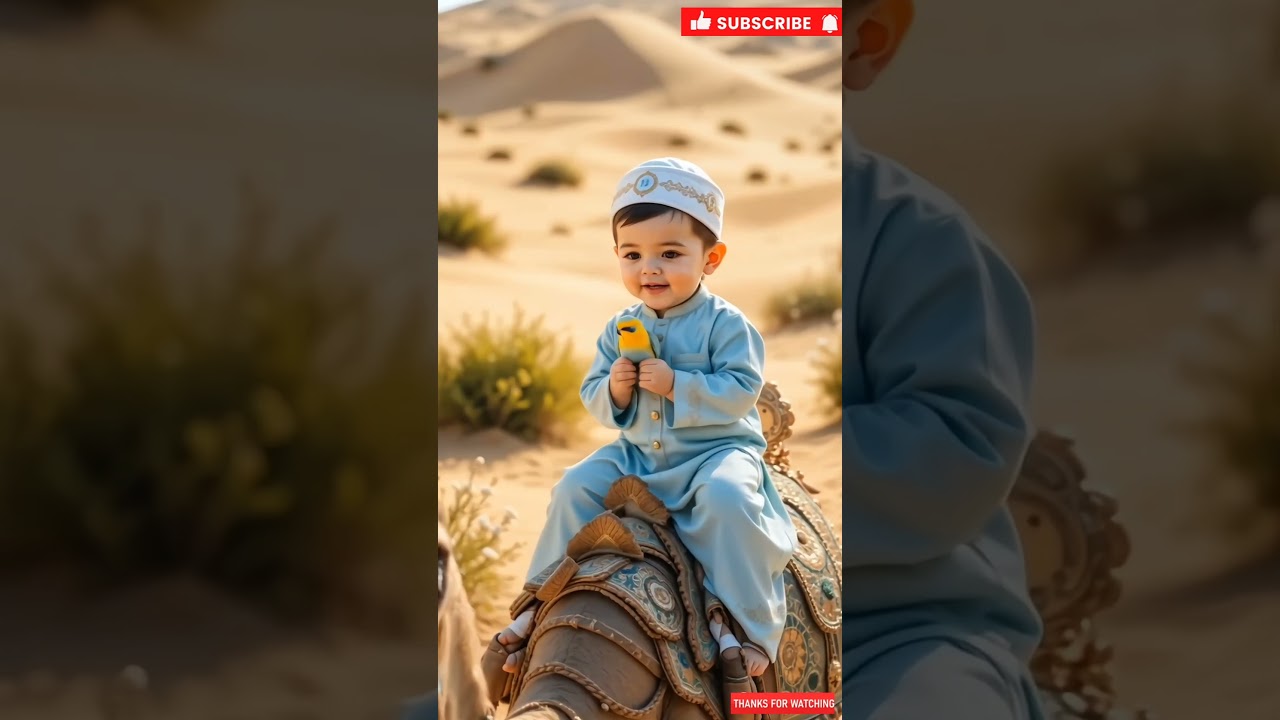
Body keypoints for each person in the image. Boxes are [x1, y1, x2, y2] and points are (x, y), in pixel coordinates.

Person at [493, 157, 797, 680]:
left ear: (712, 258)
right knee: (573, 487)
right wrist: (614, 388)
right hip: (636, 454)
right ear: (616, 256)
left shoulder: (727, 325)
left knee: (730, 501)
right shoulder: (620, 327)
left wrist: (679, 385)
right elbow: (592, 394)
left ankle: (752, 632)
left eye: (670, 254)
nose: (649, 268)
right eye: (632, 254)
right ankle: (537, 605)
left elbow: (743, 389)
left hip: (714, 453)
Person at [841, 1, 1049, 718]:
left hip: (896, 639)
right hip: (675, 634)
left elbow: (960, 449)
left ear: (863, 43)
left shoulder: (913, 238)